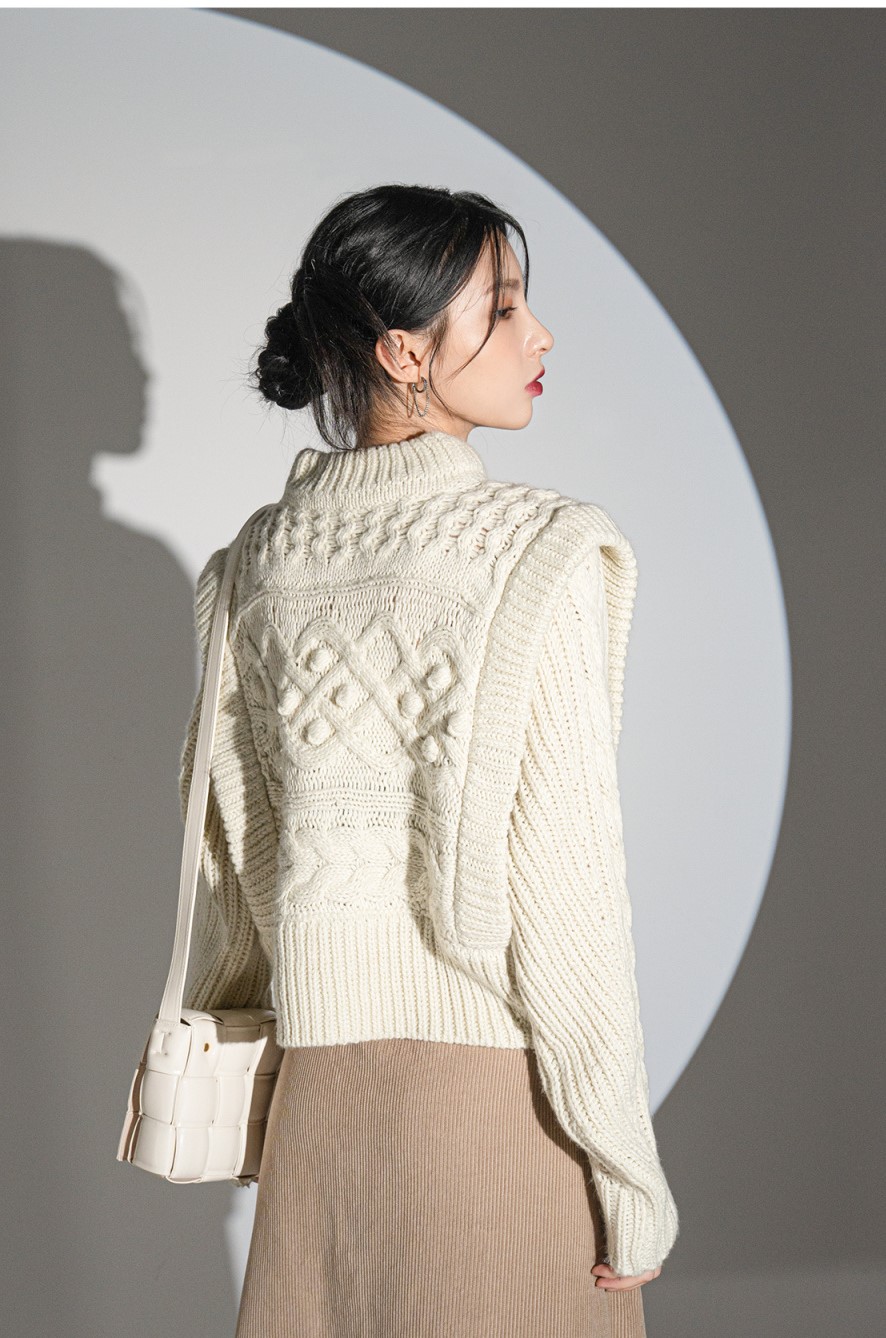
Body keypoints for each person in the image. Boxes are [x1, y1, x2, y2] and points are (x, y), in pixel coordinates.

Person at [178, 183, 679, 1337]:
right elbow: (567, 896)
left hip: (317, 1107)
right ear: (405, 351)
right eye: (502, 308)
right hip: (494, 1107)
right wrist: (627, 1168)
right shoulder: (536, 553)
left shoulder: (254, 565)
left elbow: (230, 862)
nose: (538, 335)